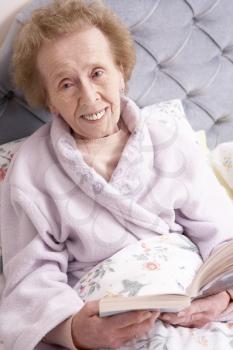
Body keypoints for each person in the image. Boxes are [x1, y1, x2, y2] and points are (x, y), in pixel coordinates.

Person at [0, 0, 233, 349]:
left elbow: (221, 234)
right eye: (66, 84)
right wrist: (76, 331)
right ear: (48, 100)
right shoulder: (30, 169)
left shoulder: (168, 135)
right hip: (106, 323)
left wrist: (223, 297)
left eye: (97, 73)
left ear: (121, 71)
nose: (89, 97)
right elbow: (30, 276)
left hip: (195, 310)